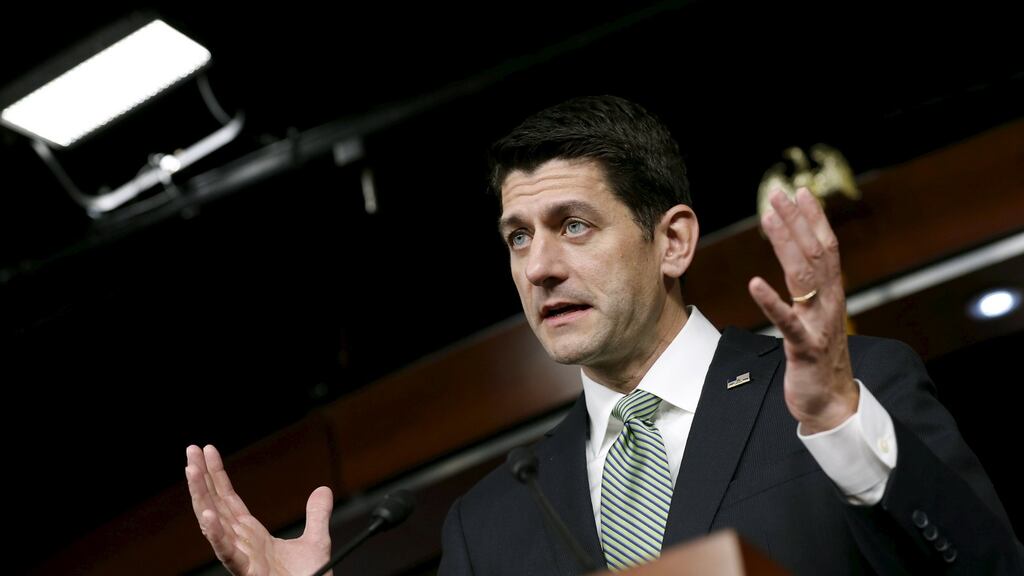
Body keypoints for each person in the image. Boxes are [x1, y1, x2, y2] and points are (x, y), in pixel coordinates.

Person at [187, 95, 1023, 575]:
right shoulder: (492, 522)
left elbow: (991, 571)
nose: (539, 267)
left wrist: (841, 420)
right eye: (518, 237)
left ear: (674, 241)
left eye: (574, 226)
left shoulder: (850, 390)